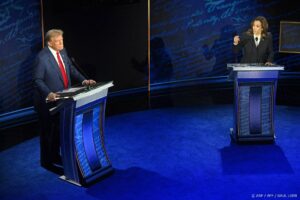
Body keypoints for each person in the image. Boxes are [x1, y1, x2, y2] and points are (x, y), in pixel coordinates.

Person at [33, 29, 96, 172]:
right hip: (47, 102)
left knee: (57, 131)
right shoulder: (41, 58)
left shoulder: (63, 51)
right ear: (50, 42)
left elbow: (71, 69)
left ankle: (55, 156)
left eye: (62, 40)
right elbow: (37, 80)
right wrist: (48, 93)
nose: (61, 43)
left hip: (63, 100)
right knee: (48, 133)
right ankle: (47, 162)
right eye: (58, 41)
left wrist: (84, 80)